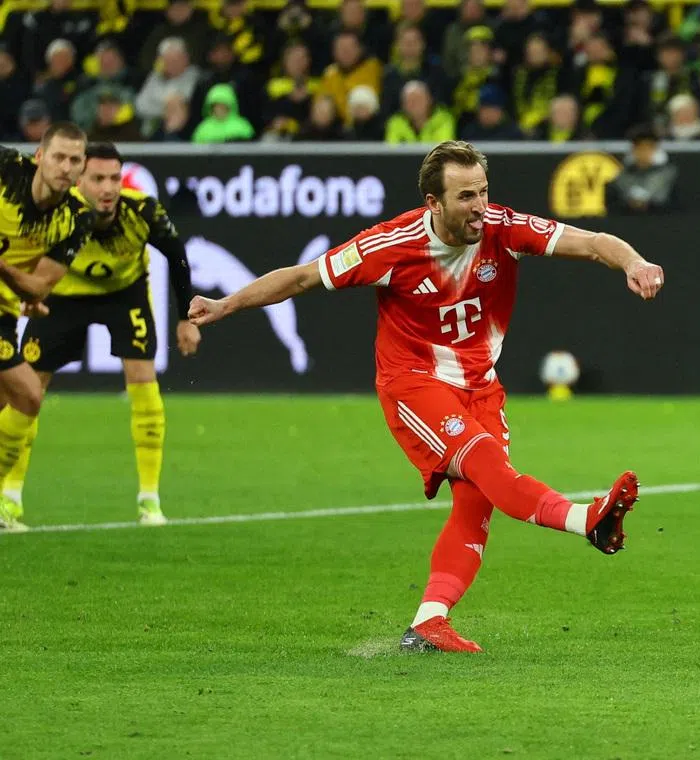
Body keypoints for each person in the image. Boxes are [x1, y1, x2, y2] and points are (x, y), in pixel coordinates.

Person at [188, 140, 665, 652]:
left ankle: (429, 622)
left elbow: (593, 242)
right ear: (432, 204)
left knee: (476, 504)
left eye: (483, 192)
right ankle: (586, 520)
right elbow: (303, 277)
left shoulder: (503, 228)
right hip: (413, 384)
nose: (479, 206)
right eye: (465, 197)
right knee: (488, 467)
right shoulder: (390, 245)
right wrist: (227, 304)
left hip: (480, 386)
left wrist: (634, 263)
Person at [6, 142, 200, 526]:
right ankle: (9, 497)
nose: (108, 188)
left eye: (114, 178)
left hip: (123, 294)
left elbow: (176, 253)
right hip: (60, 297)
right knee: (28, 390)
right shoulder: (59, 214)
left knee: (143, 380)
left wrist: (185, 317)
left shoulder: (142, 211)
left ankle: (150, 499)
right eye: (98, 179)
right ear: (79, 181)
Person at [0, 122, 93, 532]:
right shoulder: (6, 167)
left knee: (18, 401)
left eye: (74, 160)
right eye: (58, 156)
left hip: (4, 310)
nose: (65, 166)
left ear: (82, 167)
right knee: (27, 394)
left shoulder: (77, 219)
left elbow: (39, 285)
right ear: (39, 156)